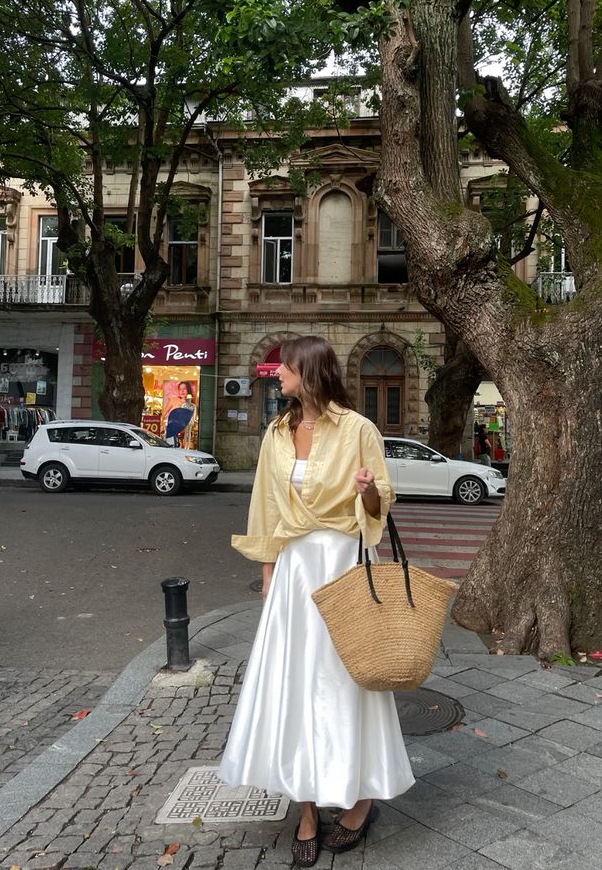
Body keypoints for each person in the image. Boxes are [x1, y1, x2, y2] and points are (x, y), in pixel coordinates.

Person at [218, 336, 414, 868]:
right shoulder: (277, 434)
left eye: (285, 367)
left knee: (346, 680)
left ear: (310, 372)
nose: (277, 374)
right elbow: (263, 507)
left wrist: (368, 488)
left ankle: (360, 799)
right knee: (294, 684)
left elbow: (380, 505)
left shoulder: (358, 429)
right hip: (294, 572)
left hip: (343, 566)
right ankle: (305, 811)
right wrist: (267, 573)